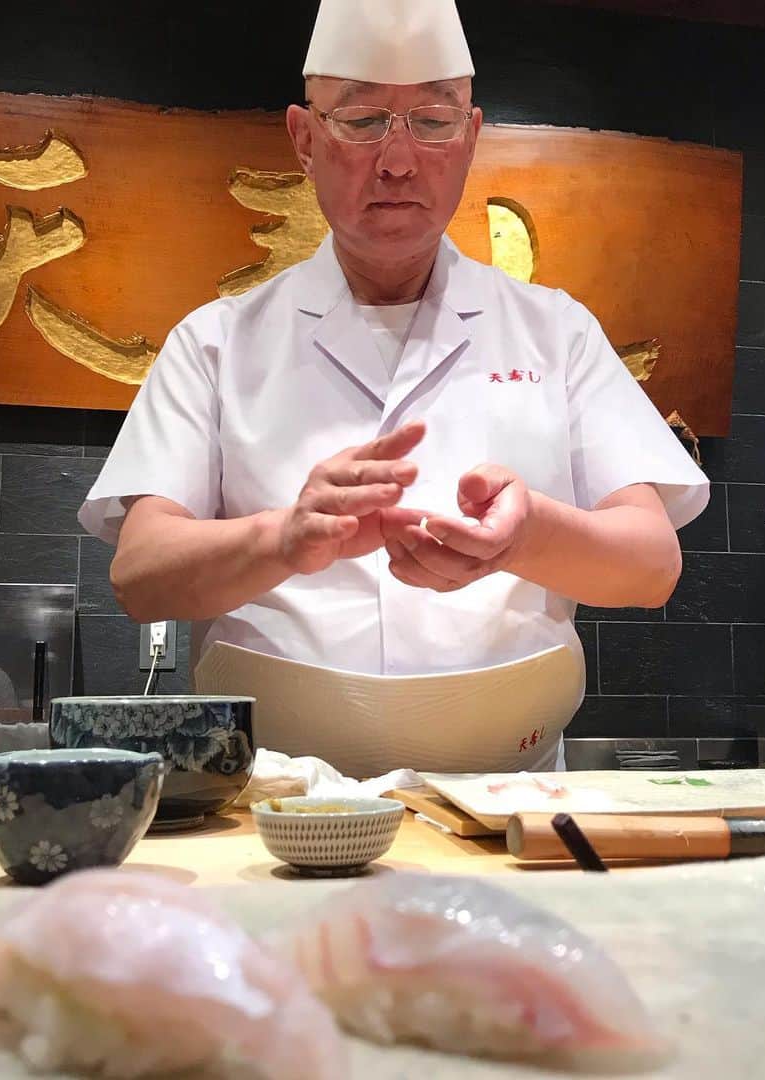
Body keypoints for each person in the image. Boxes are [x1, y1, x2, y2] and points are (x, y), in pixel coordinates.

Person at [79, 0, 709, 770]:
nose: (400, 160)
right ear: (303, 138)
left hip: (505, 801)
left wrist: (527, 533)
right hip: (273, 805)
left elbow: (653, 563)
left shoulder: (556, 330)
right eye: (363, 119)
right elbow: (140, 575)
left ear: (472, 137)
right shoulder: (217, 341)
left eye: (433, 122)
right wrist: (281, 538)